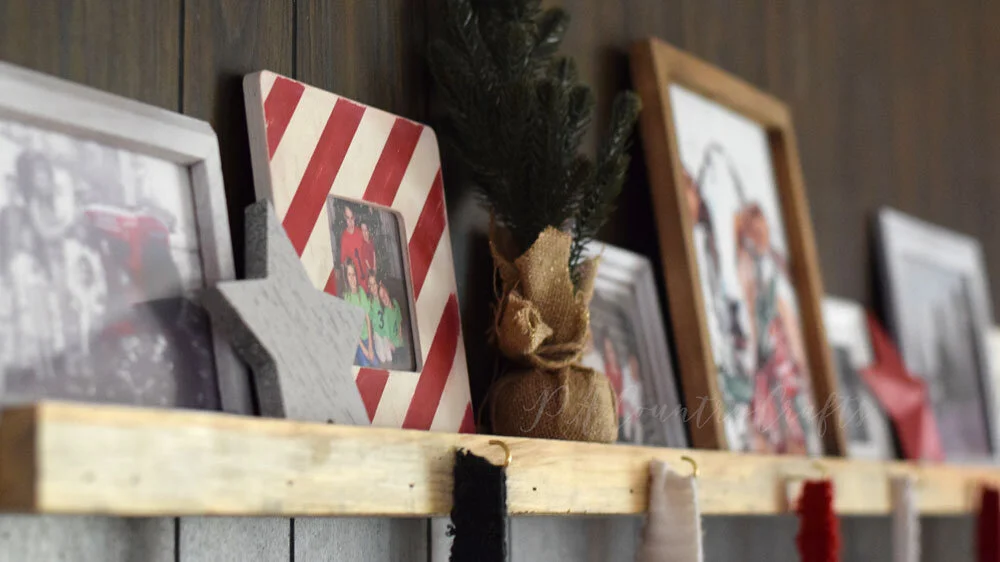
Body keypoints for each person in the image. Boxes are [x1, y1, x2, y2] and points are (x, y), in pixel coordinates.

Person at [342, 259, 375, 366]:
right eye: (349, 275)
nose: (352, 278)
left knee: (376, 364)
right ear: (346, 278)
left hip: (367, 337)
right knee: (365, 365)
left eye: (354, 274)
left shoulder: (361, 291)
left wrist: (370, 346)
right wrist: (365, 350)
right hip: (357, 341)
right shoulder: (347, 297)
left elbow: (368, 319)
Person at [372, 280, 404, 365]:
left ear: (388, 292)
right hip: (388, 338)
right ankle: (377, 344)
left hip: (397, 337)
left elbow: (399, 319)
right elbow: (386, 331)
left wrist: (400, 333)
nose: (384, 298)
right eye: (381, 297)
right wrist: (390, 343)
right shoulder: (385, 312)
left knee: (402, 354)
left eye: (384, 294)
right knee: (387, 359)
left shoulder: (395, 302)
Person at [338, 206, 367, 287]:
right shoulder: (344, 238)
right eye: (348, 218)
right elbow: (343, 264)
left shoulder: (360, 232)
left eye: (352, 218)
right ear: (344, 218)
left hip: (366, 276)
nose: (350, 221)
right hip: (355, 281)